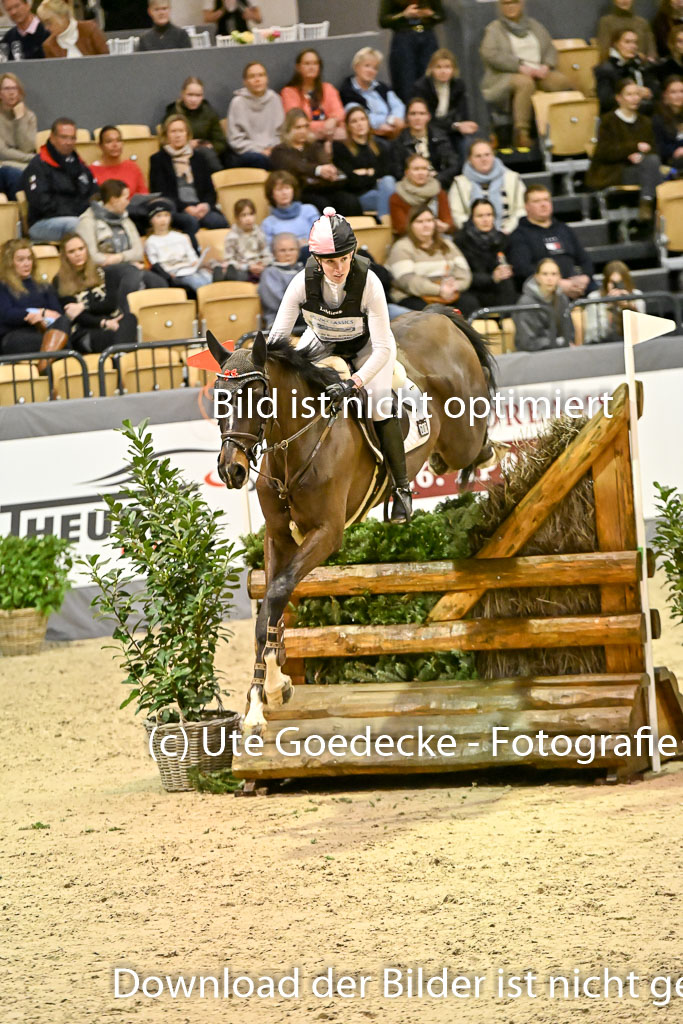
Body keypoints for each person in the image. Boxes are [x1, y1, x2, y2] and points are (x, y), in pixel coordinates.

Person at [269, 208, 413, 522]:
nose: (339, 269)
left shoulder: (369, 282)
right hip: (321, 339)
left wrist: (353, 383)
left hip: (367, 346)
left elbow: (384, 348)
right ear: (317, 260)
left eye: (345, 259)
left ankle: (402, 488)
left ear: (352, 254)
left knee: (378, 404)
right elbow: (276, 340)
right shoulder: (300, 283)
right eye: (331, 262)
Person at [479, 0, 572, 150]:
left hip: (538, 72)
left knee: (562, 81)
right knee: (525, 83)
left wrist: (546, 66)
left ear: (521, 4)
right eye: (506, 4)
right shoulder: (494, 29)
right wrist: (519, 67)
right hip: (505, 76)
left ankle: (563, 129)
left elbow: (550, 48)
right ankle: (521, 133)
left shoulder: (534, 26)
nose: (510, 7)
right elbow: (489, 54)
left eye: (514, 3)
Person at [77, 179, 166, 308]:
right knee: (131, 274)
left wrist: (119, 258)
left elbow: (138, 252)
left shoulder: (125, 219)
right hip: (100, 271)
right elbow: (91, 256)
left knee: (159, 282)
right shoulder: (88, 221)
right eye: (126, 198)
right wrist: (124, 261)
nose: (128, 202)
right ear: (114, 200)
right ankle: (124, 314)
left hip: (128, 266)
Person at [586, 77, 663, 221]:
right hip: (615, 170)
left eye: (637, 94)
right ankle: (655, 210)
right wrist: (631, 150)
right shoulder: (608, 121)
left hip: (642, 168)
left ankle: (648, 204)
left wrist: (641, 156)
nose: (635, 98)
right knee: (657, 175)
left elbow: (654, 149)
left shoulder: (645, 121)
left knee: (654, 163)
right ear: (618, 98)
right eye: (629, 94)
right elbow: (604, 152)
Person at [53, 233, 138, 353]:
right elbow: (76, 316)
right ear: (65, 256)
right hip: (85, 329)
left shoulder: (104, 273)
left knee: (130, 318)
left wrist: (83, 305)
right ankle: (120, 355)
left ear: (86, 250)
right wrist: (103, 323)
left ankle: (119, 354)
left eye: (81, 249)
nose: (78, 254)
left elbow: (110, 304)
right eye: (72, 251)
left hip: (113, 321)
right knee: (112, 337)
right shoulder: (60, 281)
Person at [270, 108, 362, 216]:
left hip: (324, 188)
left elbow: (325, 163)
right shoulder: (280, 151)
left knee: (349, 200)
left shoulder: (315, 146)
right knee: (322, 205)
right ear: (288, 129)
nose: (303, 131)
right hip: (302, 192)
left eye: (306, 126)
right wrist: (318, 170)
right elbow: (297, 166)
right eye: (298, 127)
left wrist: (331, 172)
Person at [386, 203, 475, 314]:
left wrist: (455, 286)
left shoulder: (447, 244)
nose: (425, 225)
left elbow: (464, 273)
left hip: (449, 294)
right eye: (419, 222)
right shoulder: (401, 247)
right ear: (410, 225)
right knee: (431, 313)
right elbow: (407, 281)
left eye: (429, 221)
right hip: (414, 296)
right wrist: (439, 290)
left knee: (470, 303)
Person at [507, 185, 594, 296]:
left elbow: (584, 259)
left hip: (576, 284)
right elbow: (523, 269)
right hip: (542, 291)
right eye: (537, 201)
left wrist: (585, 277)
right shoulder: (519, 235)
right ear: (526, 207)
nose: (543, 204)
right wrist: (557, 283)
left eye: (546, 200)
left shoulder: (564, 229)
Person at [22, 116, 98, 242]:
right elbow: (41, 203)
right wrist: (77, 211)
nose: (68, 142)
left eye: (72, 138)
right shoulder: (38, 165)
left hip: (77, 217)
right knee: (80, 225)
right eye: (64, 137)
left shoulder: (79, 165)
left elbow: (94, 194)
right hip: (43, 223)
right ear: (52, 138)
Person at [149, 115, 228, 236]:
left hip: (200, 207)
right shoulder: (158, 160)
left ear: (187, 134)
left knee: (219, 221)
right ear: (166, 135)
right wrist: (185, 208)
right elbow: (161, 193)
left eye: (181, 131)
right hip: (176, 209)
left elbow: (210, 191)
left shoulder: (199, 158)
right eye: (173, 131)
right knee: (190, 222)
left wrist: (205, 205)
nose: (177, 135)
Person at [0, 237, 71, 361]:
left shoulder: (43, 285)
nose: (27, 263)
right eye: (21, 260)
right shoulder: (3, 285)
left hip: (44, 331)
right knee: (63, 344)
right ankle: (51, 358)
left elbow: (56, 314)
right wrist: (37, 313)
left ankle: (45, 363)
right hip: (14, 336)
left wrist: (43, 320)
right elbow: (7, 314)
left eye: (29, 258)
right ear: (9, 263)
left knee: (63, 321)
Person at [448, 138, 525, 233]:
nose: (483, 159)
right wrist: (476, 232)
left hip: (510, 233)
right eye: (478, 156)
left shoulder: (512, 178)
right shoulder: (459, 183)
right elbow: (457, 215)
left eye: (487, 155)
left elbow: (521, 209)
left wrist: (506, 231)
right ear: (470, 159)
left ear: (493, 156)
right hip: (473, 236)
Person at [332, 105, 396, 218]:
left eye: (362, 119)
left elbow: (386, 172)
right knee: (395, 198)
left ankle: (385, 221)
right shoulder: (341, 148)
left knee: (389, 181)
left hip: (381, 191)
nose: (359, 124)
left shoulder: (380, 146)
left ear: (368, 122)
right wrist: (372, 173)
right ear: (348, 126)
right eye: (354, 121)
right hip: (360, 196)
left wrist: (364, 173)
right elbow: (352, 181)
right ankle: (387, 224)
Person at [413, 48, 479, 157]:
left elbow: (462, 113)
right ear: (431, 69)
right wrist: (455, 125)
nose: (443, 71)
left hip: (453, 130)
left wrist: (466, 125)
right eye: (438, 67)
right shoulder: (422, 87)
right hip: (430, 131)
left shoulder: (459, 85)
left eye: (447, 67)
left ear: (454, 69)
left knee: (468, 143)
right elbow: (427, 119)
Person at [454, 198, 517, 310]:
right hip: (474, 290)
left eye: (489, 215)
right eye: (480, 216)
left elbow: (514, 264)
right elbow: (463, 275)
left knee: (507, 283)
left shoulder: (502, 239)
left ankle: (509, 318)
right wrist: (491, 278)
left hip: (499, 288)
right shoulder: (461, 241)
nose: (485, 220)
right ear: (472, 218)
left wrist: (510, 270)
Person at [378, 0, 445, 104]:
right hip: (404, 37)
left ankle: (430, 109)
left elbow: (441, 15)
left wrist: (430, 14)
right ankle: (409, 109)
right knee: (405, 80)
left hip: (427, 37)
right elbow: (383, 21)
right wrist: (404, 15)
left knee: (430, 80)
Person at [144, 199, 213, 296]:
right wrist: (168, 275)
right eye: (158, 216)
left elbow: (192, 255)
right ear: (151, 220)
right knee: (196, 281)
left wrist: (196, 262)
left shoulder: (180, 237)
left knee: (209, 276)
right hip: (176, 273)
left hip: (191, 268)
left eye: (166, 215)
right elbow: (155, 264)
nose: (163, 220)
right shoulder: (151, 242)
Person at [391, 97, 460, 189]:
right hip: (411, 186)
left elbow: (454, 165)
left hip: (439, 183)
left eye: (422, 113)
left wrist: (437, 178)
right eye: (413, 114)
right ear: (407, 117)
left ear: (428, 116)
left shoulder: (440, 137)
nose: (417, 118)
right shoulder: (399, 141)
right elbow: (397, 172)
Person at [164, 77, 229, 174]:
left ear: (203, 96)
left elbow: (220, 142)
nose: (194, 99)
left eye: (198, 95)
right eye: (190, 95)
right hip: (180, 155)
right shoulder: (173, 113)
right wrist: (186, 144)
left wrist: (209, 146)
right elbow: (164, 140)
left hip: (206, 156)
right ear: (182, 94)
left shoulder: (209, 112)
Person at [339, 47, 405, 140]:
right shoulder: (347, 92)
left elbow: (398, 105)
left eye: (375, 68)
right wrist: (387, 121)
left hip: (392, 130)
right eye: (367, 66)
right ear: (356, 67)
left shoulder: (382, 87)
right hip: (368, 136)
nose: (371, 71)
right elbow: (361, 117)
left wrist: (394, 120)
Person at [280, 49, 346, 143]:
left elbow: (339, 112)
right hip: (305, 136)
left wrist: (334, 120)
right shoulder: (289, 92)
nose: (312, 67)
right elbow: (296, 120)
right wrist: (325, 125)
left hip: (331, 134)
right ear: (298, 67)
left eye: (315, 63)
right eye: (307, 64)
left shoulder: (328, 88)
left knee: (344, 134)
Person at [227, 62, 284, 170]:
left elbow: (281, 132)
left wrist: (272, 149)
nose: (257, 80)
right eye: (252, 76)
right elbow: (235, 139)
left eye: (261, 75)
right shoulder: (237, 103)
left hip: (273, 149)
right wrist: (260, 151)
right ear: (245, 81)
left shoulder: (275, 99)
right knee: (259, 159)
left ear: (267, 79)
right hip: (248, 152)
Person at [513, 257, 574, 351]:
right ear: (537, 277)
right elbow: (527, 342)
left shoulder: (562, 299)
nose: (550, 279)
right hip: (533, 354)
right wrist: (556, 342)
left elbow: (568, 331)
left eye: (554, 274)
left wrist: (565, 342)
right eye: (545, 274)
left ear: (559, 277)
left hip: (558, 350)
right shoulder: (526, 303)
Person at [594, 27, 659, 114]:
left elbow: (654, 87)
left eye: (635, 42)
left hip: (644, 112)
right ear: (616, 44)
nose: (633, 46)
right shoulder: (606, 69)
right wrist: (634, 94)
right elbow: (606, 101)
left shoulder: (639, 65)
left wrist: (649, 92)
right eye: (627, 42)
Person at [389, 153, 453, 236]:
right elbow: (401, 228)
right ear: (407, 172)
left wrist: (445, 226)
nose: (421, 173)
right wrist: (428, 226)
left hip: (437, 235)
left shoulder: (439, 193)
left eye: (424, 169)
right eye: (416, 169)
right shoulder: (397, 197)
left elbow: (448, 222)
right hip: (409, 238)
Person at [583, 260, 645, 344]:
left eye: (621, 283)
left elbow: (641, 331)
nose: (617, 288)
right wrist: (609, 308)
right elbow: (594, 335)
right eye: (613, 283)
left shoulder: (636, 296)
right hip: (603, 345)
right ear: (606, 283)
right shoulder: (594, 298)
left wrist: (630, 308)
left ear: (627, 282)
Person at [215, 197, 271, 282]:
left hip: (258, 265)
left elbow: (266, 253)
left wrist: (263, 263)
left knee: (273, 271)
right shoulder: (232, 236)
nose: (248, 219)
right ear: (237, 218)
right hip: (242, 268)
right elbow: (229, 259)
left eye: (251, 214)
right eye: (243, 215)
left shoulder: (259, 233)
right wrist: (247, 267)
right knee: (238, 274)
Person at [0, 72, 36, 199]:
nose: (12, 92)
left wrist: (20, 119)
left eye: (15, 88)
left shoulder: (29, 116)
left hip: (23, 165)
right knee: (14, 174)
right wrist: (31, 158)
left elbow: (27, 147)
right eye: (7, 88)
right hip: (3, 166)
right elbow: (3, 152)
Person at [260, 170, 319, 248]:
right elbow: (268, 250)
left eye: (287, 188)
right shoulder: (268, 223)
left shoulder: (309, 210)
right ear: (272, 194)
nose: (284, 192)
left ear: (293, 190)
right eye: (279, 189)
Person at [258, 232, 304, 330]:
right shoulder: (270, 272)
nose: (288, 254)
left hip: (306, 318)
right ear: (274, 253)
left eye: (292, 249)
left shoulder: (303, 270)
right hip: (281, 322)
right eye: (282, 250)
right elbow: (279, 303)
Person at [89, 125, 148, 197]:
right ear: (100, 146)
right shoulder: (92, 171)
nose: (115, 145)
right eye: (109, 141)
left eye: (118, 140)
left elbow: (144, 195)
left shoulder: (132, 167)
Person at [37, 0, 108, 57]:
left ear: (63, 17)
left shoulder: (90, 29)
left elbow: (107, 59)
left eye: (49, 22)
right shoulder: (48, 45)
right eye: (44, 24)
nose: (46, 28)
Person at [653, 75, 683, 169]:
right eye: (673, 92)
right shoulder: (658, 119)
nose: (679, 96)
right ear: (665, 95)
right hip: (670, 161)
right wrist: (675, 150)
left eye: (681, 91)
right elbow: (659, 147)